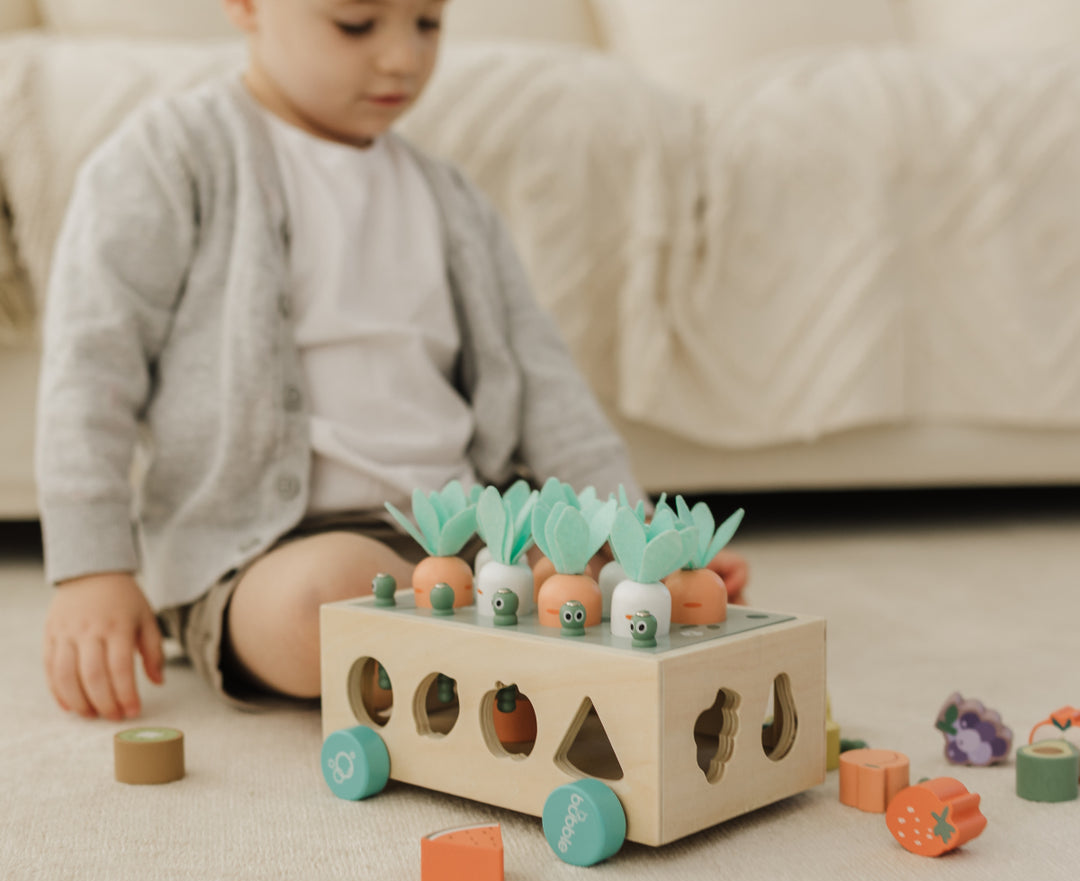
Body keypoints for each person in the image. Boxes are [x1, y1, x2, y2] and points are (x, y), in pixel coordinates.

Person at [36, 0, 748, 720]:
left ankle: (492, 657)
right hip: (270, 549)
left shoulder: (452, 198)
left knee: (584, 571)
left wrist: (640, 537)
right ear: (248, 6)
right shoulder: (169, 155)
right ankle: (513, 667)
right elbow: (91, 365)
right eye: (356, 25)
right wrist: (92, 567)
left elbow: (546, 384)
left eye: (428, 23)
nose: (403, 58)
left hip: (471, 531)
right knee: (321, 605)